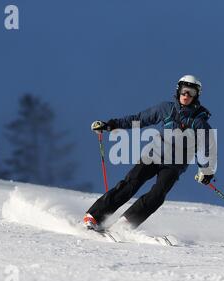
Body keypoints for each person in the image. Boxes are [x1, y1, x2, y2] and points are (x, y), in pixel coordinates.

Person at [83, 75, 217, 231]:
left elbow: (208, 150)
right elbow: (139, 119)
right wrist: (110, 125)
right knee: (131, 183)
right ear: (178, 91)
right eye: (184, 91)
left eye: (191, 93)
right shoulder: (166, 109)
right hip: (153, 155)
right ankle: (94, 215)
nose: (186, 96)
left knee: (158, 195)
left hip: (174, 165)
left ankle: (125, 223)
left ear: (196, 96)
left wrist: (206, 171)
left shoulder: (200, 123)